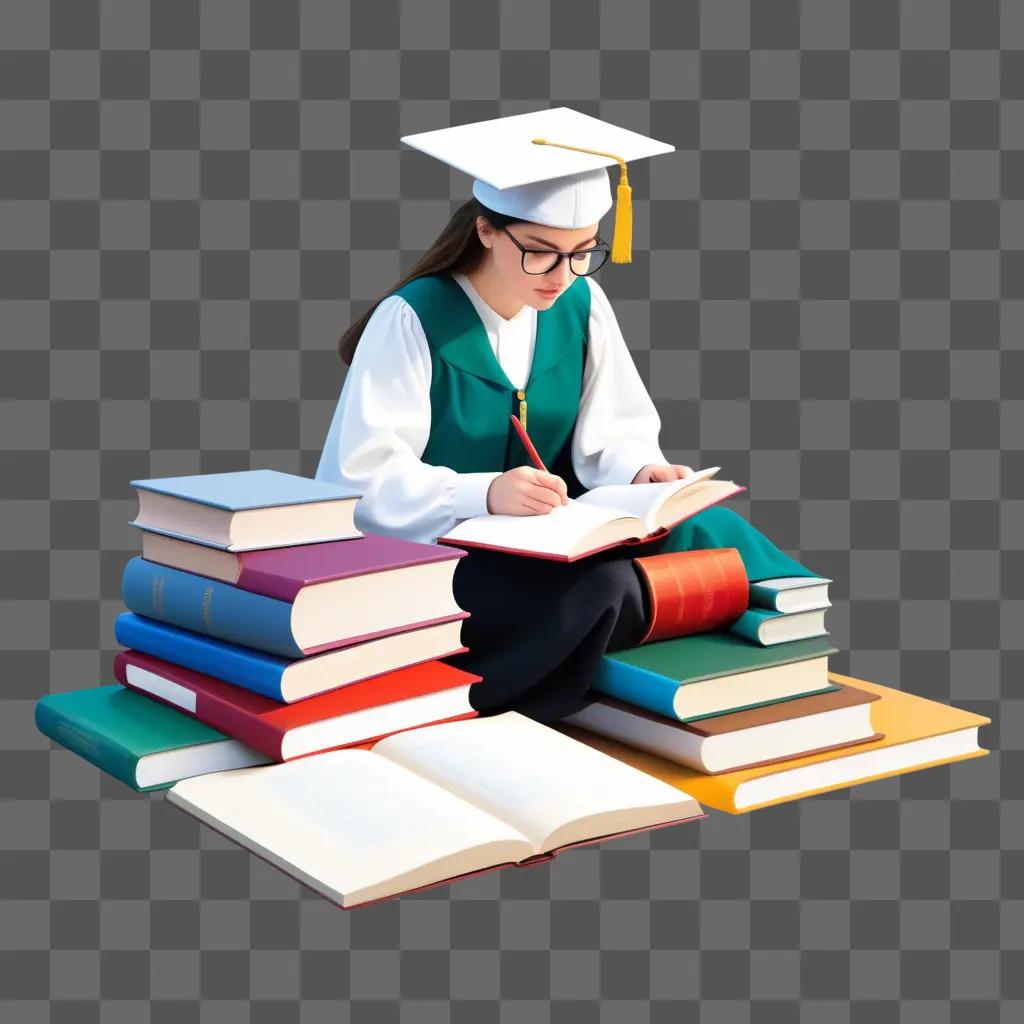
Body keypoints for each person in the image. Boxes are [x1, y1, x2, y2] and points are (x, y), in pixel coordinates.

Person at [315, 108, 820, 723]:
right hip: (446, 558)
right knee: (602, 593)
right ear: (486, 231)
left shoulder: (579, 300)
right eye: (541, 253)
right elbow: (358, 483)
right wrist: (485, 492)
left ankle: (797, 652)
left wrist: (640, 471)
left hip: (557, 536)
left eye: (583, 252)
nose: (563, 275)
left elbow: (613, 431)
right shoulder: (413, 318)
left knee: (716, 535)